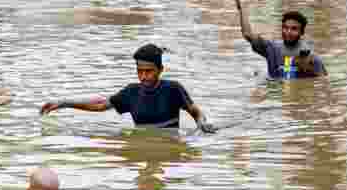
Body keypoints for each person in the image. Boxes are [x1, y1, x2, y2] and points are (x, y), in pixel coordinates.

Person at [39, 44, 217, 133]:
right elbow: (100, 104)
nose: (143, 76)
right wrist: (62, 103)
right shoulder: (131, 93)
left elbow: (196, 113)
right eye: (140, 71)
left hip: (170, 142)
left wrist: (202, 123)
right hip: (141, 142)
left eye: (149, 71)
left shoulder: (173, 89)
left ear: (160, 70)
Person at [233, 0, 326, 79]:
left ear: (302, 33)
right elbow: (247, 34)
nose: (288, 32)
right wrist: (242, 7)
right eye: (285, 28)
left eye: (294, 29)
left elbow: (322, 83)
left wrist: (309, 70)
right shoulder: (272, 48)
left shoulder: (312, 58)